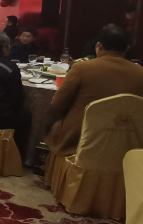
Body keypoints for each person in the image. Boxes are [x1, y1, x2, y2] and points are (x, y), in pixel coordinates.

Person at [45, 24, 143, 158]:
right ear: (127, 47)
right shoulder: (140, 73)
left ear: (99, 46)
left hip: (78, 143)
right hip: (125, 145)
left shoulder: (82, 68)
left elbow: (57, 105)